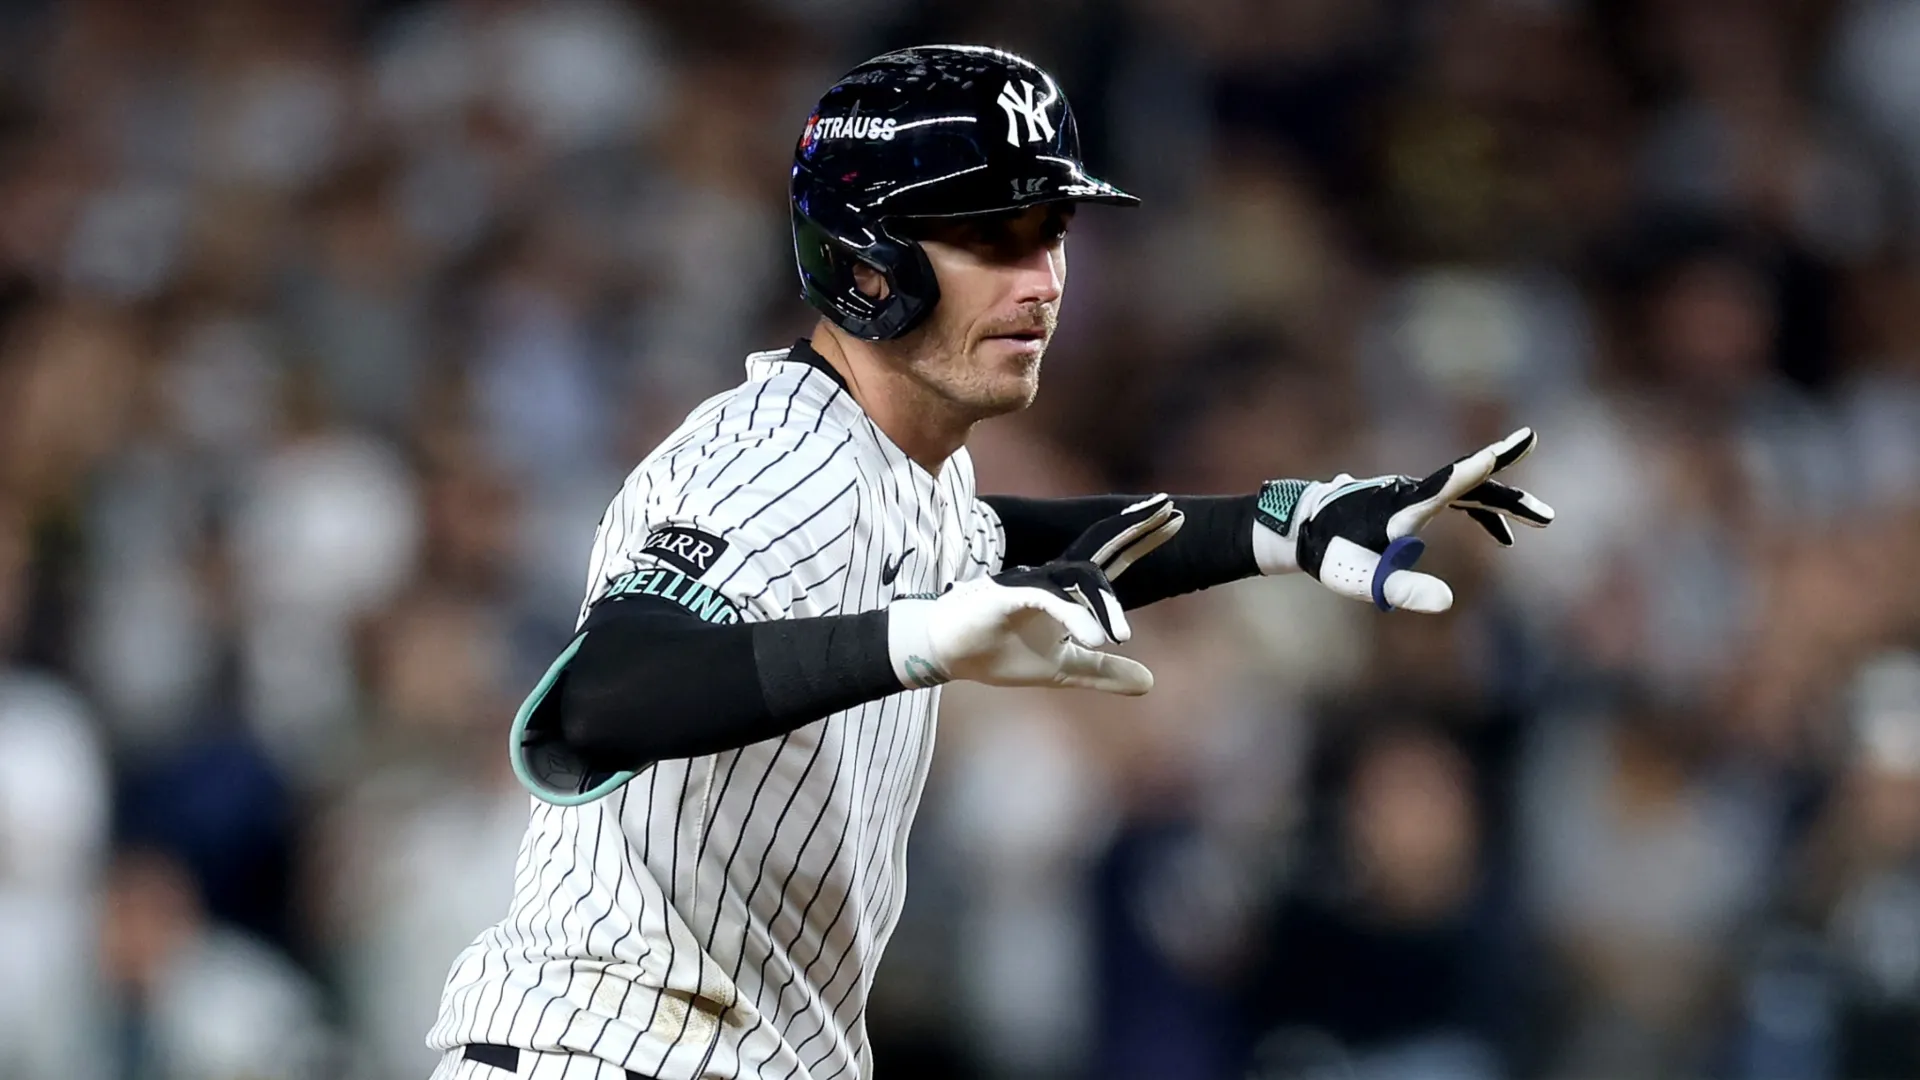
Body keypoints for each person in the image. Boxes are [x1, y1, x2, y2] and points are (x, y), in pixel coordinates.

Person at [426, 44, 1554, 1080]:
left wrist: (1280, 525)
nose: (1043, 282)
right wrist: (919, 639)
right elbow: (602, 695)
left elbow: (1019, 535)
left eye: (1051, 233)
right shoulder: (764, 458)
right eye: (992, 238)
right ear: (866, 258)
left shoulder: (898, 468)